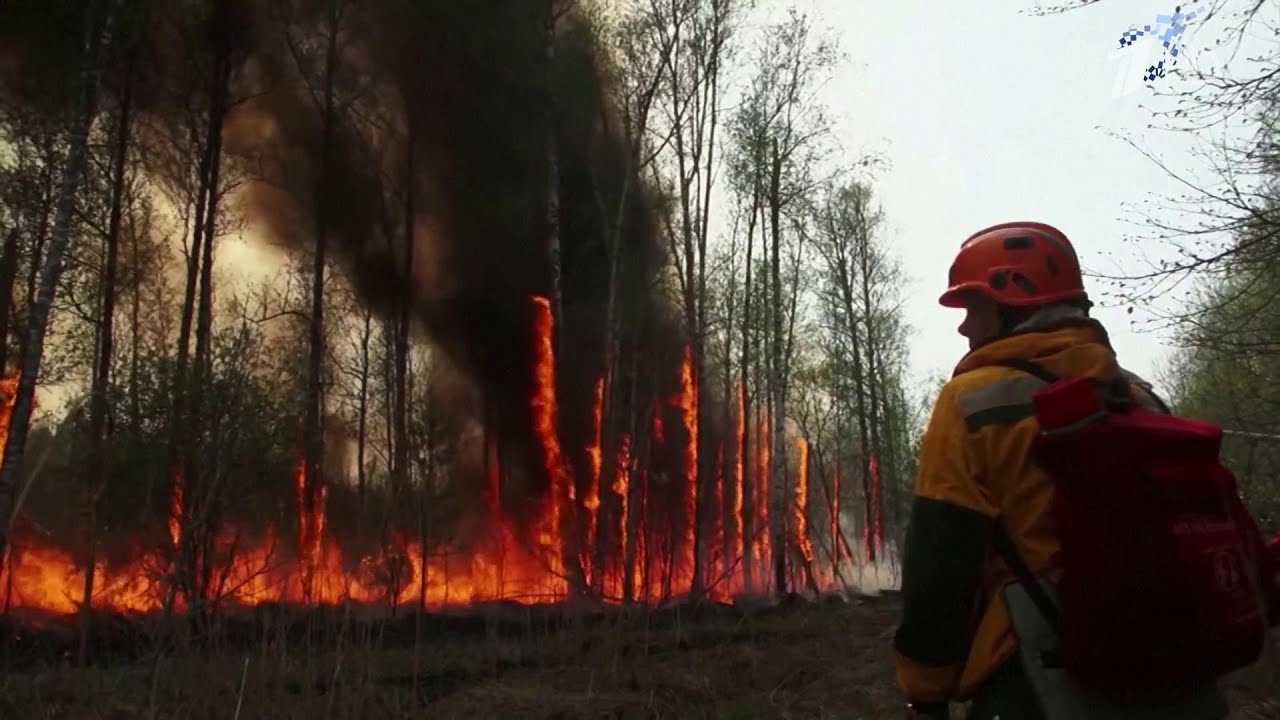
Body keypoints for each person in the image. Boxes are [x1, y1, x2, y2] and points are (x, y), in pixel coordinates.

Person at [892, 221, 1169, 720]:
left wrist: (927, 690)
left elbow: (942, 560)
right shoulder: (1139, 397)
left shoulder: (973, 403)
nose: (963, 327)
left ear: (1011, 300)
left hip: (1032, 681)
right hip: (1170, 671)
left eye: (972, 307)